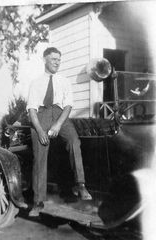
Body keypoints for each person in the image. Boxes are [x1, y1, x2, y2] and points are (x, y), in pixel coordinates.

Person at [27, 47, 92, 217]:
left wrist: (57, 126)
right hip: (41, 116)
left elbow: (68, 105)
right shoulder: (35, 83)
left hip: (60, 115)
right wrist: (40, 130)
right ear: (44, 60)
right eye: (54, 59)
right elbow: (32, 110)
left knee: (74, 141)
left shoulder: (64, 81)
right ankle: (38, 202)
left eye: (59, 59)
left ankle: (81, 185)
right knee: (40, 155)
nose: (57, 62)